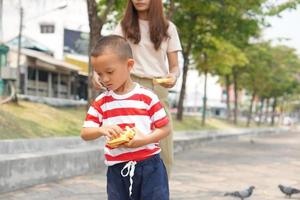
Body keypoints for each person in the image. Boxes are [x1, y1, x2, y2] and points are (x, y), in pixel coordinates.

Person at [93, 0, 182, 176]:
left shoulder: (168, 28)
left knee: (163, 149)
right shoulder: (124, 26)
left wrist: (173, 76)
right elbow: (109, 53)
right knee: (125, 145)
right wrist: (97, 74)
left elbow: (174, 66)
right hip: (128, 88)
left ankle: (159, 192)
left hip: (157, 89)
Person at [81, 35, 171, 200]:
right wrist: (102, 129)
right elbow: (85, 133)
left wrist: (144, 141)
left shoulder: (147, 97)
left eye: (109, 72)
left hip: (150, 166)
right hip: (117, 170)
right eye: (99, 74)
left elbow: (165, 128)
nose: (105, 79)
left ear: (129, 65)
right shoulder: (102, 102)